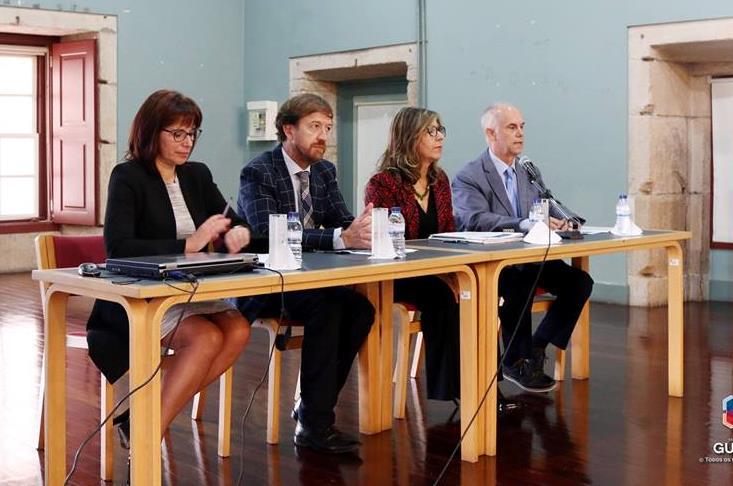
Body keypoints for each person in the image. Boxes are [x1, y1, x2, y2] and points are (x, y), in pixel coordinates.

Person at [86, 89, 267, 443]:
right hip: (140, 296)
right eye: (178, 134)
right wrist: (190, 243)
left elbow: (235, 221)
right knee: (205, 338)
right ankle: (147, 437)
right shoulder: (128, 176)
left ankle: (140, 423)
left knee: (238, 329)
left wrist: (240, 235)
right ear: (151, 132)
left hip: (189, 290)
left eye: (193, 134)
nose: (187, 143)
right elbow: (118, 247)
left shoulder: (196, 175)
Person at [237, 93, 375, 454]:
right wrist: (338, 237)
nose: (323, 136)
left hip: (312, 280)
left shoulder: (325, 171)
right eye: (315, 127)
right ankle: (316, 423)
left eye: (327, 128)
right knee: (328, 308)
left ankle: (312, 409)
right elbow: (266, 231)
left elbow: (339, 219)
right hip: (267, 282)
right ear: (288, 129)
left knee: (361, 309)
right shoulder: (259, 171)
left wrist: (362, 230)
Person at [452, 103, 593, 393]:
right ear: (490, 133)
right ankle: (516, 361)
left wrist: (563, 221)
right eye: (512, 127)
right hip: (497, 265)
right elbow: (474, 218)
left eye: (522, 127)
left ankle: (537, 348)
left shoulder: (528, 170)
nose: (520, 134)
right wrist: (523, 224)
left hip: (530, 258)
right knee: (521, 282)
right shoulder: (470, 175)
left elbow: (547, 203)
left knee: (579, 282)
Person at [363, 107, 460, 403]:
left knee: (475, 292)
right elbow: (381, 239)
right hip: (397, 272)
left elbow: (448, 231)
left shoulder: (439, 180)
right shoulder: (383, 184)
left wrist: (452, 271)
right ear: (410, 138)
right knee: (441, 297)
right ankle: (454, 390)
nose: (439, 137)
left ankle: (485, 384)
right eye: (431, 131)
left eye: (440, 129)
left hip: (433, 269)